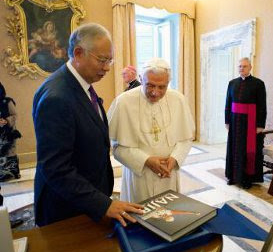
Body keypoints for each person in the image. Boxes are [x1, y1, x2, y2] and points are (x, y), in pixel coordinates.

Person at [32, 23, 143, 227]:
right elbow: (56, 169)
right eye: (102, 60)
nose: (108, 67)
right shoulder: (57, 97)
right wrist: (103, 204)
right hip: (66, 210)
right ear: (78, 53)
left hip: (85, 199)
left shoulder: (82, 86)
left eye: (110, 60)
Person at [108, 58, 195, 203]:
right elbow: (116, 147)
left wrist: (175, 158)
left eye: (162, 87)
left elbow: (186, 138)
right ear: (141, 79)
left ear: (169, 82)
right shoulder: (124, 102)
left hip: (169, 173)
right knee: (139, 219)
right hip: (139, 176)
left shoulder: (178, 100)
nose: (155, 93)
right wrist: (146, 160)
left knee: (168, 218)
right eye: (150, 85)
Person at [225, 57, 267, 189]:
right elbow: (227, 103)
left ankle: (247, 179)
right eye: (239, 66)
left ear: (250, 67)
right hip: (234, 121)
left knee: (248, 150)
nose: (241, 68)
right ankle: (233, 176)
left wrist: (260, 125)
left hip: (250, 122)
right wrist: (227, 121)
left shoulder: (258, 84)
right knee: (234, 148)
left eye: (244, 66)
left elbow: (262, 105)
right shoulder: (232, 83)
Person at [0, 82, 21, 182]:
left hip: (8, 133)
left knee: (8, 153)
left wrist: (6, 121)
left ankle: (11, 173)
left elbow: (14, 115)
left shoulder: (7, 102)